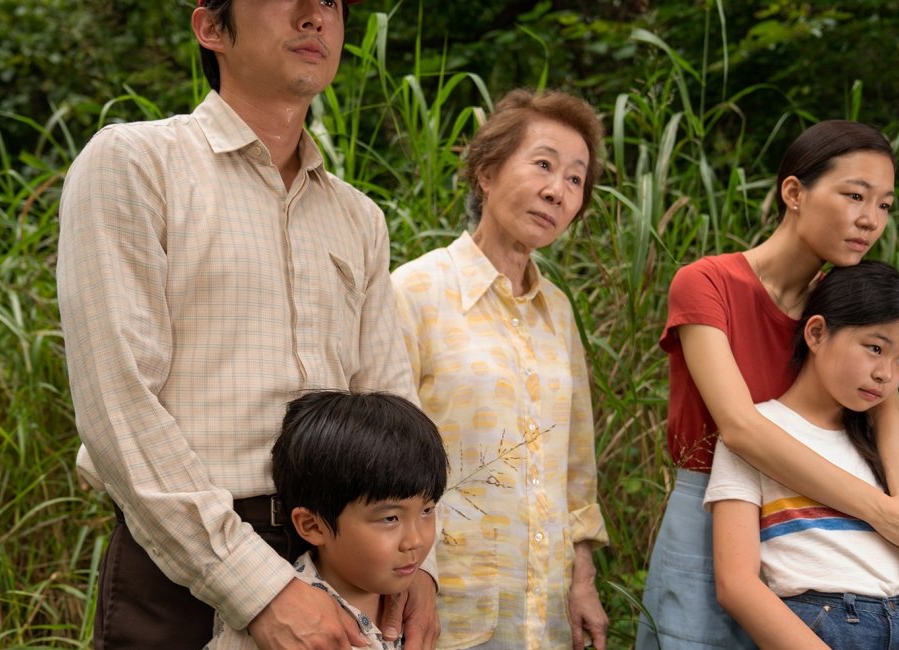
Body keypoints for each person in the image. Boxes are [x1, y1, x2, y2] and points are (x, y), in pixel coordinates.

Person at [56, 1, 438, 648]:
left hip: (343, 553)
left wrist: (419, 568)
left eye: (334, 3)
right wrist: (257, 588)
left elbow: (389, 405)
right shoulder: (136, 164)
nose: (317, 15)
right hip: (179, 564)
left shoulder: (357, 217)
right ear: (211, 28)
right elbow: (118, 405)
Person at [635, 120, 899, 650]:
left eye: (885, 205)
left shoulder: (842, 306)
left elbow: (889, 425)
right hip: (716, 508)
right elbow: (742, 428)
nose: (870, 220)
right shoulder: (708, 283)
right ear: (794, 192)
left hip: (812, 530)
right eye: (854, 196)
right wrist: (885, 514)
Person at [391, 88, 609, 650]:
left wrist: (582, 579)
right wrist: (407, 579)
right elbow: (382, 462)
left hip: (548, 612)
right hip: (447, 608)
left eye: (575, 180)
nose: (556, 191)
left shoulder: (557, 310)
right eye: (542, 164)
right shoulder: (415, 291)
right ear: (486, 172)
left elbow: (576, 467)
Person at [708, 261, 899, 649]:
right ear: (816, 333)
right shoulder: (759, 435)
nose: (887, 374)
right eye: (875, 348)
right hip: (819, 630)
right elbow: (736, 584)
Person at [206, 390, 449, 650]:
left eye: (427, 511)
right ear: (313, 525)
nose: (415, 540)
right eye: (390, 518)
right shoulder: (282, 631)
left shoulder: (404, 603)